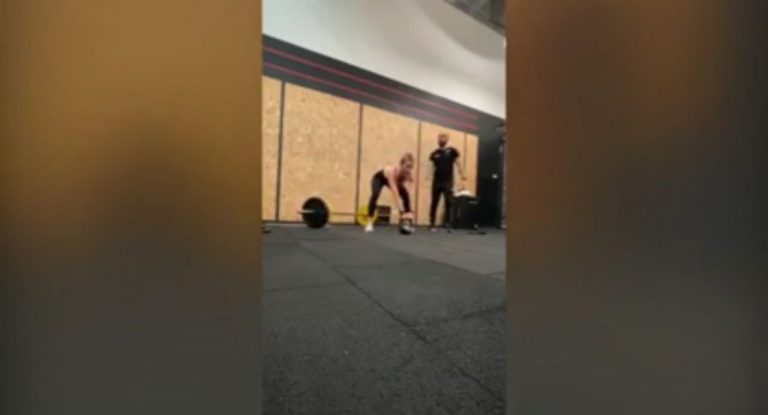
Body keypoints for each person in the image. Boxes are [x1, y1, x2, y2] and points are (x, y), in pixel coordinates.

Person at [365, 153, 416, 233]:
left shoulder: (409, 174)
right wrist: (401, 210)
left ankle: (407, 224)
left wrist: (410, 212)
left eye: (411, 167)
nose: (408, 170)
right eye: (407, 166)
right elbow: (395, 192)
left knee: (405, 196)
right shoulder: (392, 171)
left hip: (394, 182)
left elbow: (408, 192)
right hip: (380, 178)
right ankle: (369, 222)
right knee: (375, 194)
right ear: (401, 165)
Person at [428, 133, 465, 231]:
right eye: (439, 138)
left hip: (447, 181)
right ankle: (432, 223)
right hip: (436, 181)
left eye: (443, 138)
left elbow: (458, 162)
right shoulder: (435, 153)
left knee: (448, 202)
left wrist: (462, 174)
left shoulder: (452, 151)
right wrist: (429, 176)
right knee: (434, 202)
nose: (441, 140)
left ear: (447, 139)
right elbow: (431, 166)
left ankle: (448, 223)